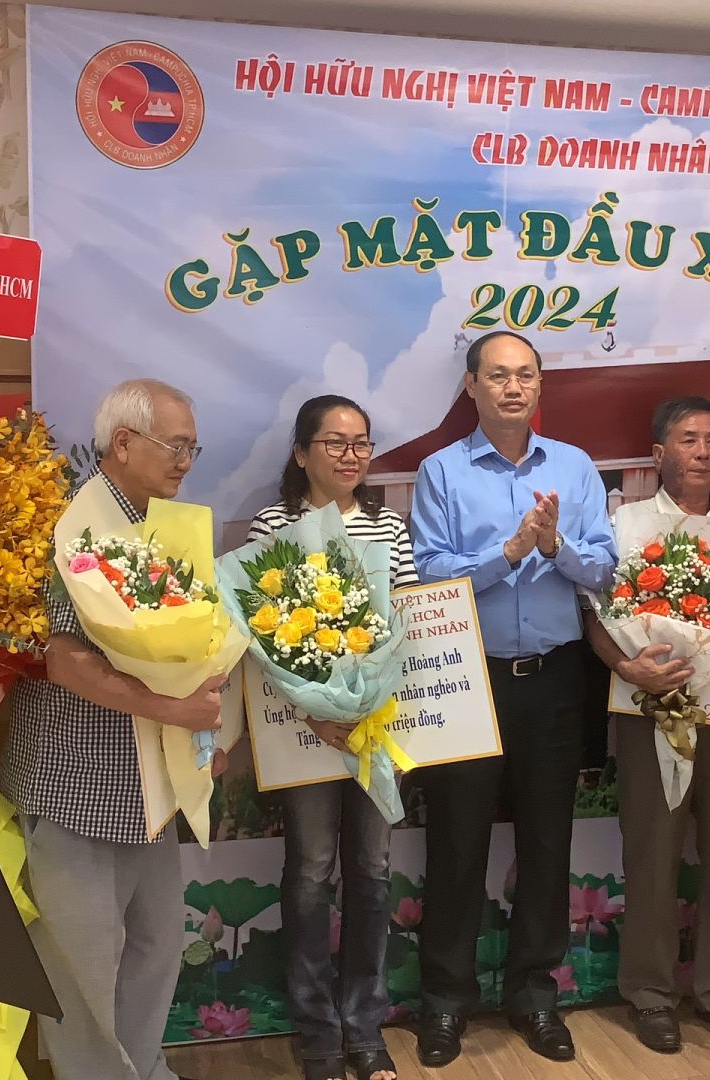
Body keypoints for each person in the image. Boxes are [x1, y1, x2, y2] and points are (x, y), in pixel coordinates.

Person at [1, 379, 227, 1080]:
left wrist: (199, 736)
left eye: (193, 446)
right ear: (123, 443)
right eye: (176, 444)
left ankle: (142, 1067)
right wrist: (177, 713)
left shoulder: (154, 529)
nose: (186, 459)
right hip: (75, 786)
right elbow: (62, 660)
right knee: (82, 969)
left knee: (158, 945)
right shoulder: (70, 529)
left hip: (150, 786)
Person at [409, 330, 617, 1067]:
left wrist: (555, 544)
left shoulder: (574, 467)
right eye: (497, 375)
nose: (512, 387)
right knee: (457, 844)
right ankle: (444, 1004)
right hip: (468, 679)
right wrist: (511, 553)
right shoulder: (440, 471)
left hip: (555, 682)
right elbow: (431, 578)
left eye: (525, 374)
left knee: (547, 842)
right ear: (471, 386)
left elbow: (606, 574)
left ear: (539, 386)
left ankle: (534, 996)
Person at [585, 397, 710, 1055]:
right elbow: (598, 615)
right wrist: (630, 667)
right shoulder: (625, 524)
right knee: (653, 855)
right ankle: (651, 994)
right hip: (648, 711)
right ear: (659, 454)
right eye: (688, 439)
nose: (702, 451)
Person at [243, 395, 416, 1080]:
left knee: (372, 875)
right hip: (304, 727)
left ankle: (365, 1024)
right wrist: (314, 710)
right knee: (313, 874)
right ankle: (317, 1031)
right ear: (302, 451)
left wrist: (368, 703)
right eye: (337, 442)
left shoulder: (388, 525)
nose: (351, 455)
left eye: (362, 444)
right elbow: (259, 625)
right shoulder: (274, 522)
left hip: (376, 728)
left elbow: (406, 620)